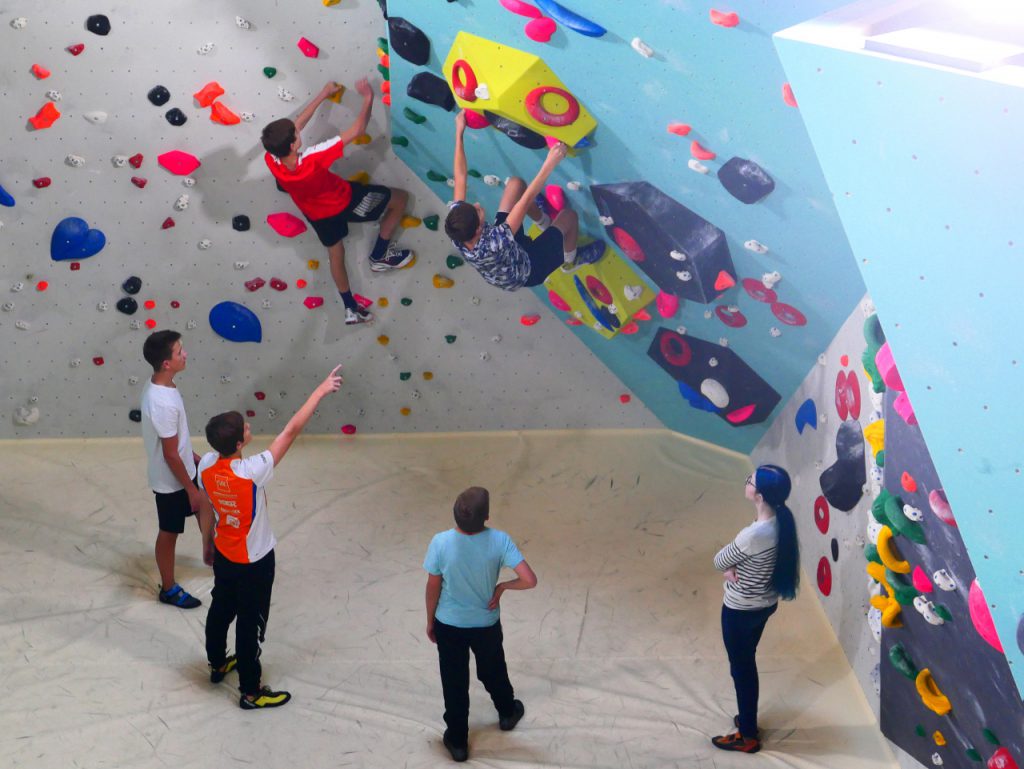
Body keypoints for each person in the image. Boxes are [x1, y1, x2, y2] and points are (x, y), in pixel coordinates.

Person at [197, 366, 343, 709]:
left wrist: (207, 542)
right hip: (255, 562)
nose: (250, 428)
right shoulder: (251, 472)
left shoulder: (205, 465)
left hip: (224, 553)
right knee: (250, 624)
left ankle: (217, 662)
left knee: (221, 608)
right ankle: (251, 690)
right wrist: (320, 391)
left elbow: (206, 505)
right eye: (244, 428)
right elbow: (291, 431)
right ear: (237, 443)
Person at [261, 79, 415, 326]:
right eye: (296, 135)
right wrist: (367, 98)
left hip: (317, 214)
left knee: (336, 255)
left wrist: (323, 93)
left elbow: (294, 126)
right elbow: (357, 130)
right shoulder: (312, 159)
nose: (298, 130)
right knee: (400, 199)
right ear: (293, 144)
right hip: (346, 201)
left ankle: (350, 308)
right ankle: (379, 255)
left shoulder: (273, 159)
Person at [424, 487, 537, 762]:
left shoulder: (440, 542)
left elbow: (433, 586)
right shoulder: (499, 541)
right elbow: (530, 580)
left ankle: (458, 740)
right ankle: (507, 712)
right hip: (485, 624)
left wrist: (430, 622)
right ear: (486, 516)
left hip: (449, 625)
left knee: (454, 680)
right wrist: (502, 589)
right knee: (493, 668)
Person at [444, 110, 605, 292]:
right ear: (479, 229)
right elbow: (527, 198)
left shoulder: (457, 228)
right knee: (569, 216)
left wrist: (459, 132)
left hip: (509, 252)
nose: (477, 206)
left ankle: (544, 222)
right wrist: (550, 162)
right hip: (528, 269)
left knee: (515, 184)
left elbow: (460, 176)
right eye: (477, 211)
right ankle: (571, 259)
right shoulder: (494, 243)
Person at [711, 464, 801, 754]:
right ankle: (747, 716)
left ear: (759, 495)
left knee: (742, 669)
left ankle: (747, 733)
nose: (746, 481)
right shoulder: (780, 523)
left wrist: (730, 568)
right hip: (765, 606)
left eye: (750, 480)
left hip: (740, 610)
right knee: (746, 661)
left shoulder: (752, 535)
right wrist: (734, 565)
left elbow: (719, 561)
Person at [140, 330, 210, 609]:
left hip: (183, 469)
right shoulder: (162, 402)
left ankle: (218, 560)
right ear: (166, 363)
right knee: (169, 533)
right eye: (180, 351)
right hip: (171, 481)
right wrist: (191, 488)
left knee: (205, 510)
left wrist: (193, 457)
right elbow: (169, 454)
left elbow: (174, 442)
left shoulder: (163, 384)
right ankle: (168, 589)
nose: (185, 354)